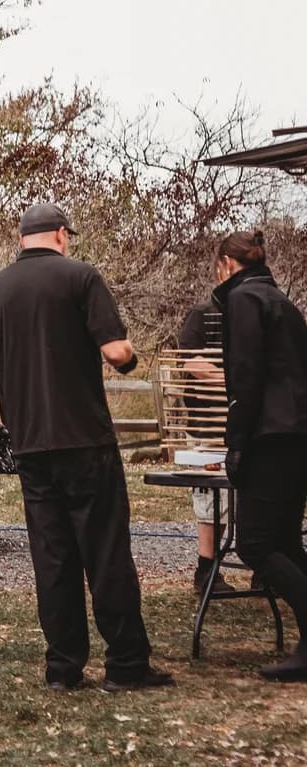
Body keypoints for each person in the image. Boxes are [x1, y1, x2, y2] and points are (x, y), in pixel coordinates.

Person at [0, 201, 172, 692]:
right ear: (61, 235)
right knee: (105, 554)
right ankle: (126, 666)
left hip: (31, 447)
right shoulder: (82, 278)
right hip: (84, 441)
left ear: (23, 239)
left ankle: (63, 668)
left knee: (53, 558)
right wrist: (130, 359)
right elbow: (116, 351)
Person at [214, 228, 307, 681]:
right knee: (287, 541)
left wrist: (236, 444)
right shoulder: (284, 303)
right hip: (298, 434)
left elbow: (245, 380)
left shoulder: (243, 301)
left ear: (227, 265)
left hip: (269, 437)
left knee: (255, 543)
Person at [173, 300, 234, 593]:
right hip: (206, 425)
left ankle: (264, 568)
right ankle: (206, 569)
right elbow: (193, 362)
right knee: (210, 497)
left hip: (243, 425)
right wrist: (237, 381)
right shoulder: (203, 315)